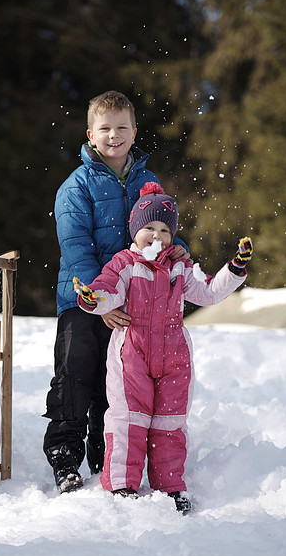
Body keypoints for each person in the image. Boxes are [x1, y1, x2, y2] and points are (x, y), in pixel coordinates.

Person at [74, 181, 253, 513]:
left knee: (169, 421)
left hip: (174, 353)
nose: (156, 236)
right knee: (129, 417)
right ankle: (122, 484)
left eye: (163, 230)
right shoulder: (125, 263)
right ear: (135, 231)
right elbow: (108, 290)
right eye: (149, 228)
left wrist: (235, 269)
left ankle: (169, 485)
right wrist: (93, 299)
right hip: (133, 350)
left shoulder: (180, 268)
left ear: (172, 236)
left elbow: (209, 292)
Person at [43, 90, 189, 493]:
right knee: (76, 375)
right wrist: (100, 301)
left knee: (118, 385)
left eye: (121, 128)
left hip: (135, 307)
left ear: (134, 132)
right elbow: (76, 248)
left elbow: (165, 232)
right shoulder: (76, 186)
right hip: (84, 299)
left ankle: (103, 455)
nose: (113, 135)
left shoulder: (147, 182)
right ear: (90, 134)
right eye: (105, 128)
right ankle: (65, 455)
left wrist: (181, 252)